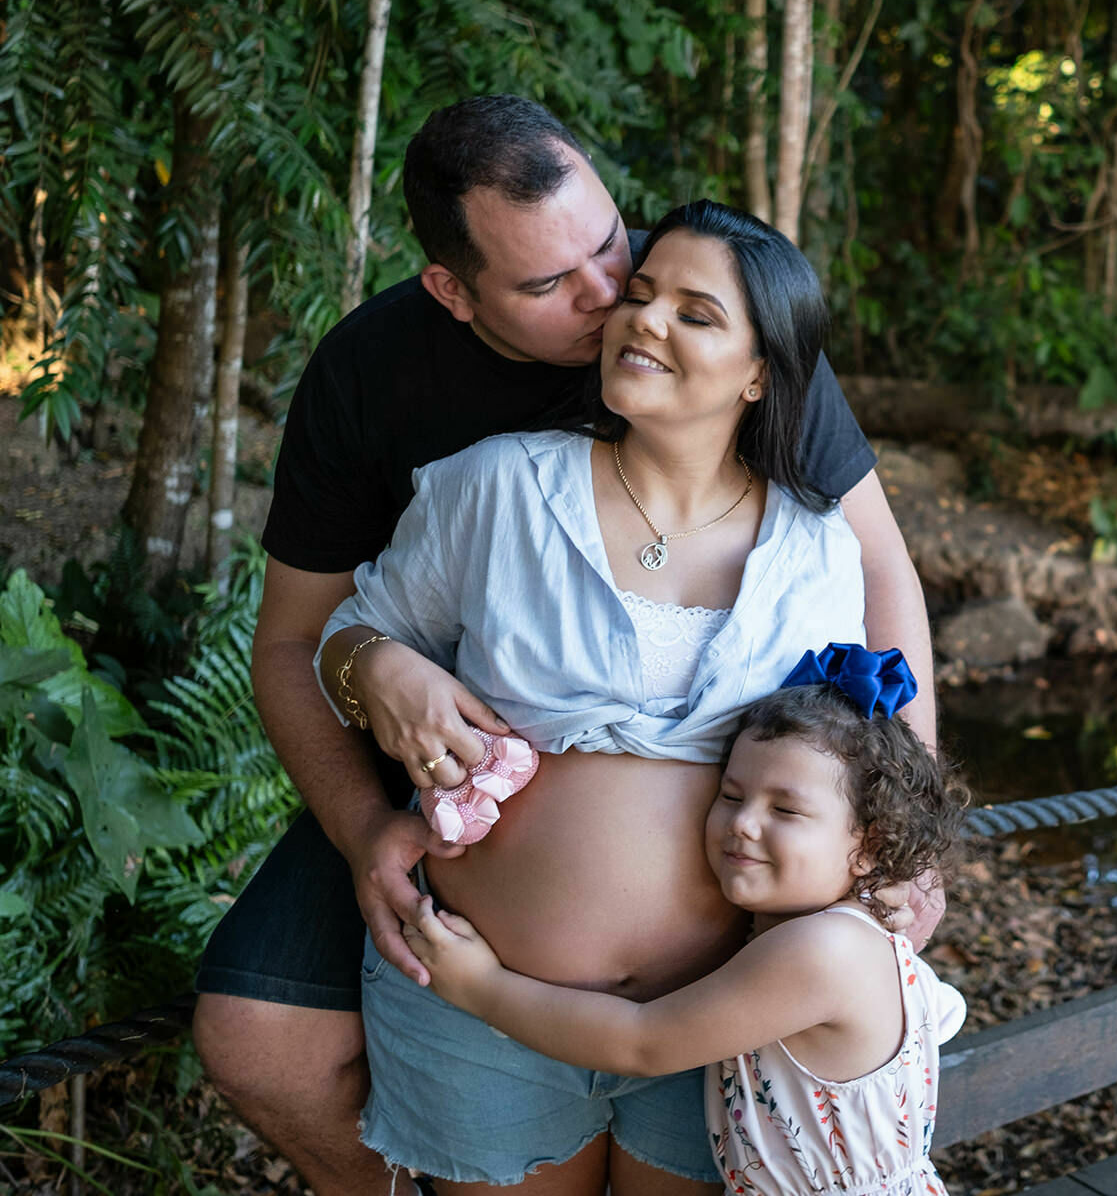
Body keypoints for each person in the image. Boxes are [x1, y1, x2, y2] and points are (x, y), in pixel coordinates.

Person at [192, 97, 936, 1196]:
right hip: (460, 870)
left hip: (710, 1000)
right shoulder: (418, 413)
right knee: (257, 1033)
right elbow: (307, 637)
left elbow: (881, 587)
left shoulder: (778, 446)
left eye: (614, 250)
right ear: (456, 292)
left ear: (758, 372)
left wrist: (901, 849)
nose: (615, 301)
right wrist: (370, 739)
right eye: (558, 284)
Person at [317, 197, 885, 1194]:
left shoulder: (817, 549)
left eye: (695, 313)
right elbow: (345, 636)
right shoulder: (496, 485)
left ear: (759, 372)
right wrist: (377, 665)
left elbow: (836, 766)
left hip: (715, 1016)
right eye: (641, 292)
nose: (645, 319)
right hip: (477, 1004)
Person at [401, 647, 969, 1196]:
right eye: (731, 795)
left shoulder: (825, 950)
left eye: (786, 809)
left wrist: (482, 987)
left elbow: (642, 1044)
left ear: (870, 845)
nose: (743, 823)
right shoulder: (853, 931)